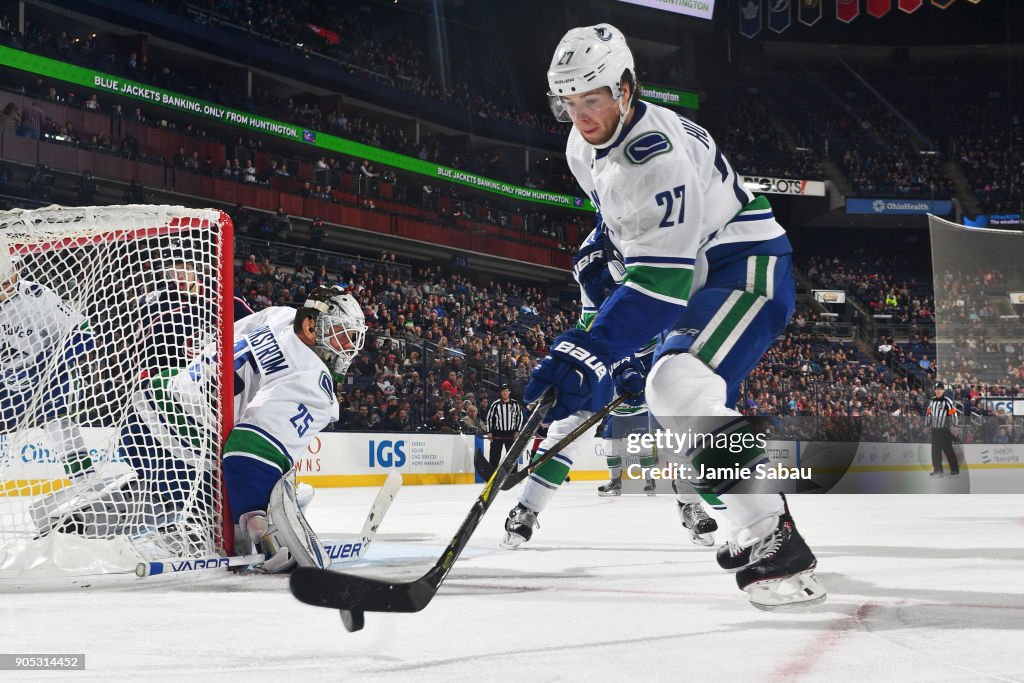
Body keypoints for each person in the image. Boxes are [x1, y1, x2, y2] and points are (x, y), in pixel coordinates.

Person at [505, 24, 820, 610]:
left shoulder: (658, 156)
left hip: (743, 265)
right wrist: (602, 247)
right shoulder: (584, 146)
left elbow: (662, 282)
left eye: (591, 99)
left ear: (625, 88)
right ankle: (753, 526)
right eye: (567, 102)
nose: (581, 116)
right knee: (672, 396)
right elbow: (625, 224)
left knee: (673, 383)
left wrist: (595, 347)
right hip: (702, 274)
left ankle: (777, 538)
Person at [0, 234, 96, 479]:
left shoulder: (37, 296)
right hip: (10, 382)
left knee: (59, 423)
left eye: (9, 273)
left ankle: (84, 480)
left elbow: (85, 335)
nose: (7, 281)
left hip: (50, 377)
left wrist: (45, 366)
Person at [485, 385, 523, 477]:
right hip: (498, 432)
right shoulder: (496, 404)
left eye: (506, 391)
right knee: (495, 454)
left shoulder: (515, 404)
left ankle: (512, 475)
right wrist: (489, 432)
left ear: (509, 392)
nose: (505, 392)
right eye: (503, 391)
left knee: (512, 455)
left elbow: (520, 417)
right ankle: (492, 475)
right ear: (500, 393)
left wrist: (517, 431)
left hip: (511, 433)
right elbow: (489, 418)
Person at [926, 381, 960, 477]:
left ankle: (955, 469)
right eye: (936, 389)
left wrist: (955, 426)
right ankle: (937, 469)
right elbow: (928, 413)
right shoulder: (932, 401)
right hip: (935, 430)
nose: (938, 391)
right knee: (935, 451)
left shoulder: (947, 401)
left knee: (948, 450)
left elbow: (954, 413)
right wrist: (927, 425)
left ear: (943, 390)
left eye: (939, 389)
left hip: (945, 430)